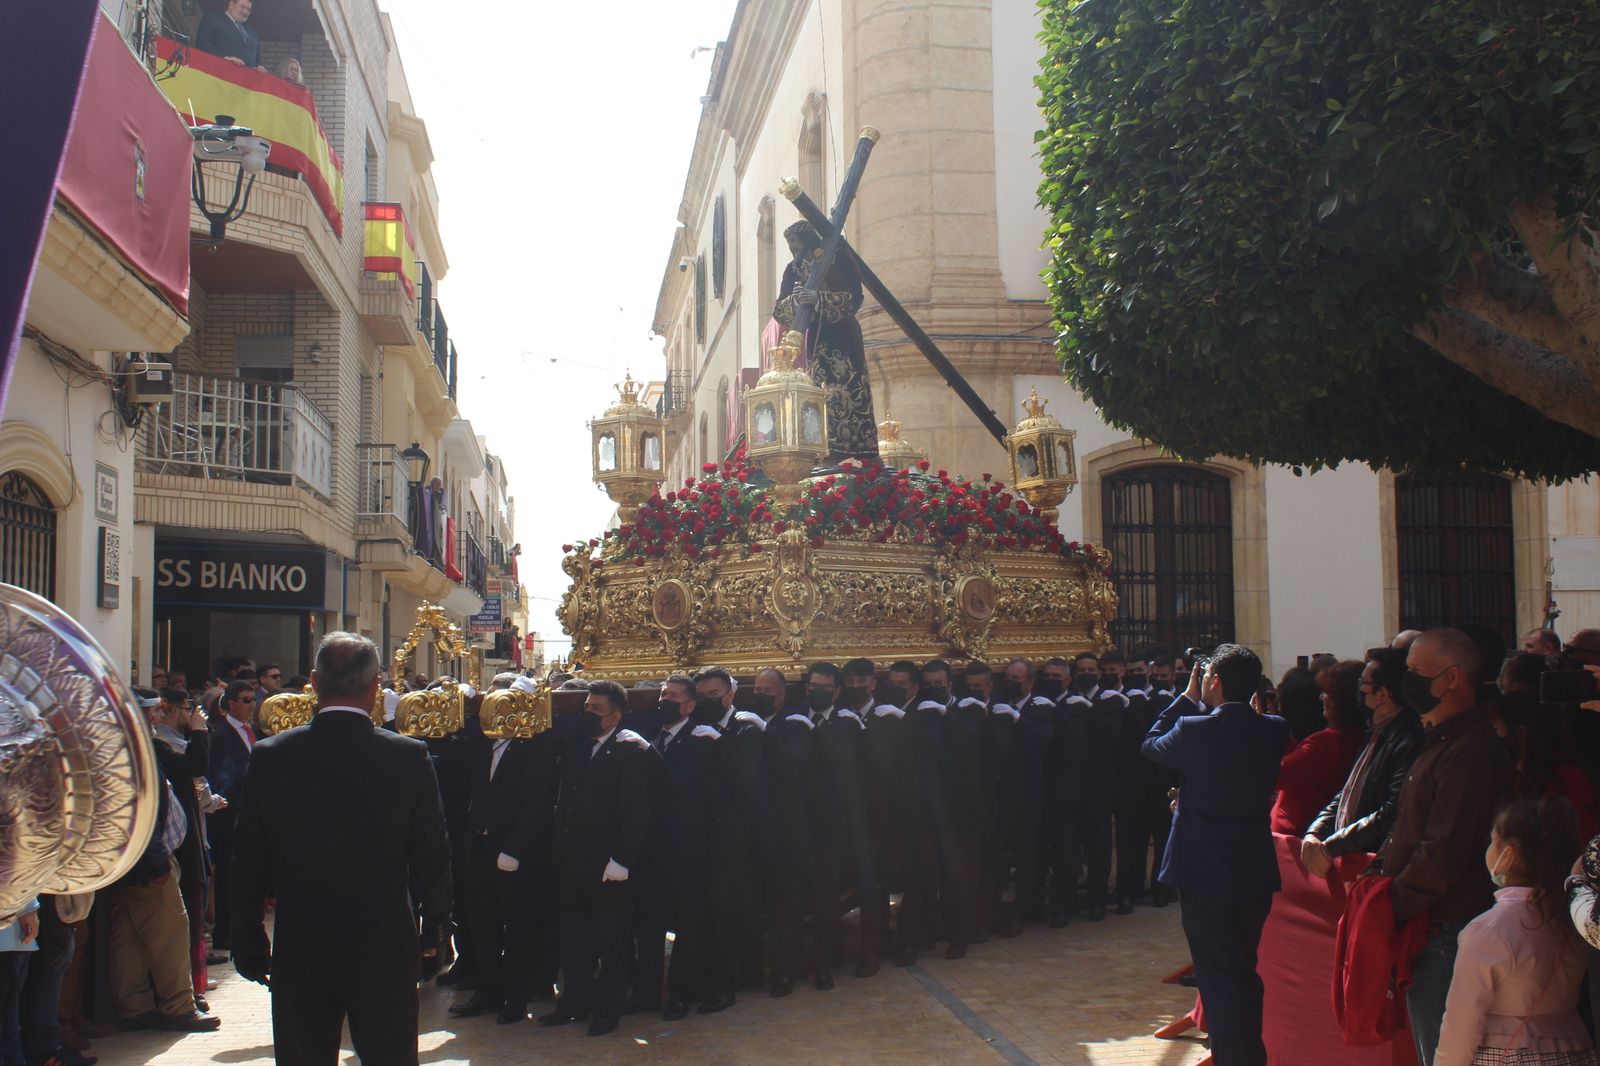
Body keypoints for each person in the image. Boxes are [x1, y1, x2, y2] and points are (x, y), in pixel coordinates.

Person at [228, 633, 453, 1065]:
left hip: (303, 943)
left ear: (313, 681)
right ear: (375, 689)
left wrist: (247, 937)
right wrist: (436, 933)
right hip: (384, 943)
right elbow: (432, 853)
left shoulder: (274, 755)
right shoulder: (407, 757)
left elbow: (249, 856)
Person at [1143, 645, 1290, 1066]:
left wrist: (1188, 697)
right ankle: (1249, 1055)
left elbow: (1151, 744)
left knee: (1218, 976)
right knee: (1243, 970)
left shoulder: (1193, 728)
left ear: (1214, 681)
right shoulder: (1275, 729)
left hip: (1204, 869)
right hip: (1253, 868)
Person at [1382, 628, 1515, 1066]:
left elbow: (1443, 850)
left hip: (1445, 930)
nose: (1410, 682)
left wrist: (1388, 905)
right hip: (1431, 928)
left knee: (1446, 1055)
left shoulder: (1470, 748)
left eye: (1419, 672)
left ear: (1453, 678)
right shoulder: (1439, 740)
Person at [1435, 797, 1595, 1066]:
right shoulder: (1575, 918)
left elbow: (1461, 1023)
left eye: (1492, 841)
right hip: (1576, 1052)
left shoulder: (1487, 930)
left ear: (1508, 855)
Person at [541, 679, 655, 1037]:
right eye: (587, 706)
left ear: (614, 717)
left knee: (612, 941)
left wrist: (622, 859)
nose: (588, 713)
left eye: (596, 709)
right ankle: (574, 1002)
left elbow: (636, 811)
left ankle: (608, 1008)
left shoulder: (627, 751)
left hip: (608, 866)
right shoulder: (576, 746)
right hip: (572, 861)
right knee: (574, 938)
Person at [447, 680, 562, 1026]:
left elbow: (536, 805)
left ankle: (516, 995)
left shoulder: (535, 749)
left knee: (518, 927)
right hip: (479, 849)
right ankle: (487, 991)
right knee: (482, 925)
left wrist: (514, 848)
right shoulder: (481, 747)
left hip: (515, 853)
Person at [1301, 647, 1423, 875]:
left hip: (1373, 866)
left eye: (1363, 686)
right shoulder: (1375, 732)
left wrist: (1331, 847)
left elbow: (1391, 812)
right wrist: (1315, 832)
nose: (1358, 691)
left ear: (1382, 695)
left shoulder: (1406, 741)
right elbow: (1348, 790)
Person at [773, 221, 878, 465]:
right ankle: (827, 448)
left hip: (843, 336)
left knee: (851, 389)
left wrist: (819, 299)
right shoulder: (793, 269)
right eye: (789, 244)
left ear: (807, 239)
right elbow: (779, 310)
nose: (792, 248)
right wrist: (797, 302)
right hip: (817, 340)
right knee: (821, 391)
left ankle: (864, 448)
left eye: (795, 242)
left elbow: (854, 295)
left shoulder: (836, 256)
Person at [151, 688, 216, 1011]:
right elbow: (196, 765)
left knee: (195, 920)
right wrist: (200, 732)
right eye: (189, 708)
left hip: (194, 840)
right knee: (184, 926)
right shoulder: (161, 746)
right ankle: (186, 992)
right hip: (176, 849)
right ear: (174, 710)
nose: (193, 714)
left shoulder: (168, 744)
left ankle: (195, 986)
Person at [1270, 660, 1367, 836]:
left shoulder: (1326, 744)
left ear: (1342, 700)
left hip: (1297, 837)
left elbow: (1275, 775)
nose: (1322, 697)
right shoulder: (1360, 736)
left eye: (1328, 693)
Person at [205, 679, 256, 957]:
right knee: (226, 879)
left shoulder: (250, 732)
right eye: (246, 700)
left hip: (246, 818)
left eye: (252, 700)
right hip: (229, 819)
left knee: (239, 878)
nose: (251, 705)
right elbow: (222, 777)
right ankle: (224, 932)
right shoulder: (222, 736)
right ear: (231, 703)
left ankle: (235, 928)